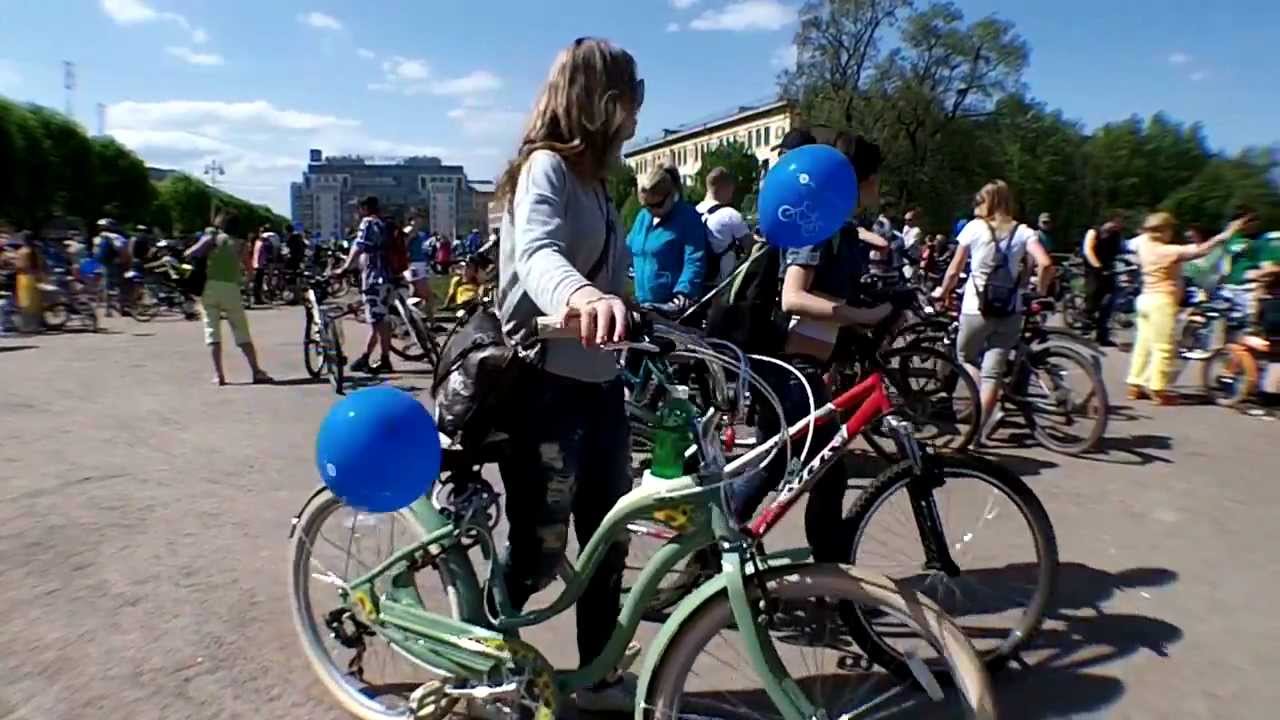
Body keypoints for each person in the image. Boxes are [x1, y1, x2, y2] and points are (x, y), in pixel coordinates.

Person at [492, 36, 642, 714]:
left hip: (601, 388)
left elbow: (615, 279)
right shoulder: (545, 171)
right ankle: (489, 657)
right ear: (604, 103)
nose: (636, 119)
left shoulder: (599, 188)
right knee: (538, 550)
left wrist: (645, 311)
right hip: (546, 389)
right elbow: (540, 259)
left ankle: (599, 674)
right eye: (631, 105)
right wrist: (581, 297)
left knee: (609, 539)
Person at [726, 131, 894, 538]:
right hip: (790, 370)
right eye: (877, 179)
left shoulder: (838, 224)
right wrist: (860, 315)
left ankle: (714, 543)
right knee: (802, 470)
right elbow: (793, 297)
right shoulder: (816, 222)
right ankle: (713, 539)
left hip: (804, 368)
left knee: (793, 469)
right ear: (864, 180)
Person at [936, 180, 1055, 444]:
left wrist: (942, 292)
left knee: (964, 357)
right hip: (1010, 311)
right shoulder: (1024, 232)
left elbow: (955, 270)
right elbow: (1046, 264)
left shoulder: (974, 228)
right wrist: (1039, 290)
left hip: (975, 309)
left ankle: (981, 402)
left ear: (987, 202)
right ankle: (977, 434)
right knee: (993, 374)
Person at [1125, 212, 1234, 405]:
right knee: (1164, 347)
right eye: (1170, 229)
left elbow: (1129, 245)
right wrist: (1223, 235)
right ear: (1164, 230)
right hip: (1161, 301)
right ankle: (1158, 389)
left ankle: (1135, 384)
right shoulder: (1167, 251)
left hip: (1144, 299)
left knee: (1143, 345)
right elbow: (1201, 251)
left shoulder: (1143, 244)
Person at [184, 211, 272, 386]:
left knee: (212, 331)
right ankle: (256, 371)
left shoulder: (212, 238)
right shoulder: (241, 244)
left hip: (209, 288)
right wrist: (243, 283)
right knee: (241, 330)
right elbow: (249, 270)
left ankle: (219, 375)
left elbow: (189, 254)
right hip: (231, 289)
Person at [626, 165, 705, 310]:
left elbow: (694, 259)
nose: (652, 211)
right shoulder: (643, 217)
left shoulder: (688, 218)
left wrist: (684, 292)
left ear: (672, 195)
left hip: (670, 305)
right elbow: (628, 249)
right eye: (647, 206)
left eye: (657, 205)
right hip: (642, 302)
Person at [334, 196, 394, 374]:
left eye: (358, 208)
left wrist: (344, 268)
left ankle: (373, 358)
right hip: (386, 276)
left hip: (374, 278)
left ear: (365, 208)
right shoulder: (382, 223)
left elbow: (359, 246)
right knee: (381, 320)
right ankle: (378, 358)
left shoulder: (367, 223)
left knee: (377, 321)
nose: (357, 212)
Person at [696, 167, 751, 290]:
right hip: (723, 286)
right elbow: (751, 248)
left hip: (698, 285)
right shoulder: (729, 214)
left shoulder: (693, 214)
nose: (732, 194)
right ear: (724, 187)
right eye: (731, 190)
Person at [1082, 212, 1126, 346]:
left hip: (1109, 269)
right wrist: (1097, 266)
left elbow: (1120, 251)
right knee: (1093, 296)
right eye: (1116, 222)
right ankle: (1085, 322)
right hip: (1093, 269)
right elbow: (1088, 250)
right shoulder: (1094, 232)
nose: (1118, 225)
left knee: (1108, 304)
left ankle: (1102, 336)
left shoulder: (1116, 235)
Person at [13, 233, 44, 333]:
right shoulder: (30, 251)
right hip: (29, 276)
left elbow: (17, 265)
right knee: (32, 303)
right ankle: (32, 326)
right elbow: (33, 266)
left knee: (23, 302)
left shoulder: (18, 251)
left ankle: (24, 325)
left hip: (20, 277)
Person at [251, 229, 270, 306]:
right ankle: (258, 298)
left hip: (258, 264)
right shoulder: (260, 243)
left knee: (258, 282)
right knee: (258, 282)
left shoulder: (258, 242)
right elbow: (258, 254)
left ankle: (258, 298)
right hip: (259, 265)